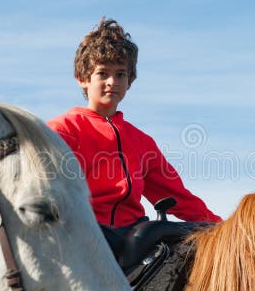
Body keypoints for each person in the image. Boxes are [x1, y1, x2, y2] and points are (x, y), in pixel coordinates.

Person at [48, 18, 221, 243]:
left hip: (135, 236)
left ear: (129, 81)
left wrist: (222, 228)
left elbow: (178, 197)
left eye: (120, 74)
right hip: (84, 237)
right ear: (82, 79)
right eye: (102, 73)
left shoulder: (142, 142)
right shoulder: (62, 130)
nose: (112, 81)